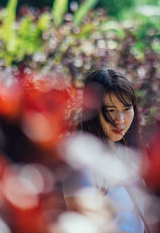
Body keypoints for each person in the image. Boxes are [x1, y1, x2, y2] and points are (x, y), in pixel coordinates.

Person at [62, 68, 147, 233]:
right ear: (93, 111)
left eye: (126, 109)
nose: (120, 120)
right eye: (110, 111)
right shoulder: (80, 162)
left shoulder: (129, 156)